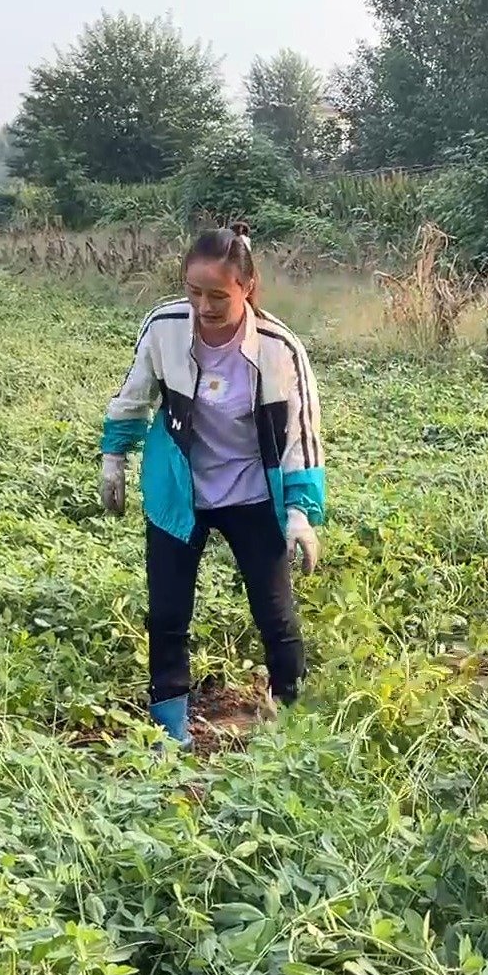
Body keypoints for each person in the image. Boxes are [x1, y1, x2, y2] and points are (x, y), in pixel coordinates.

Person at [97, 223, 325, 746]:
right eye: (194, 292)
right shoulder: (164, 326)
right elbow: (135, 394)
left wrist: (300, 513)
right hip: (181, 489)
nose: (204, 306)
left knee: (275, 613)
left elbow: (301, 435)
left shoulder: (279, 348)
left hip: (252, 493)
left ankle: (291, 716)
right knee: (168, 611)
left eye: (218, 295)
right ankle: (169, 724)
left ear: (247, 286)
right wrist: (114, 455)